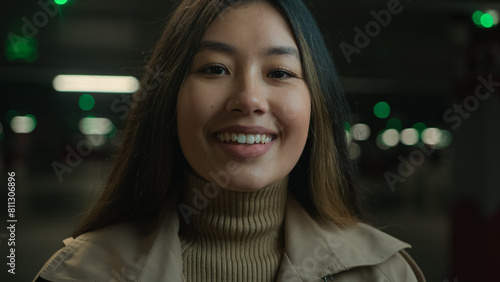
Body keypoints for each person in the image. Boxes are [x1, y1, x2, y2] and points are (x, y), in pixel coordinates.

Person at [35, 0, 425, 281]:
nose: (250, 99)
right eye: (215, 68)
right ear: (168, 99)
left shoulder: (385, 273)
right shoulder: (80, 273)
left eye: (280, 73)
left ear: (315, 104)